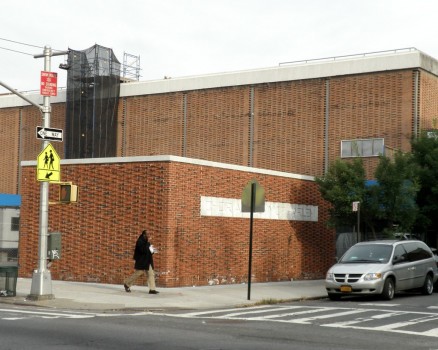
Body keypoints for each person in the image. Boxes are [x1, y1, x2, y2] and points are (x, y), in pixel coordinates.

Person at [123, 230, 159, 294]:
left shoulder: (147, 242)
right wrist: (148, 245)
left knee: (151, 274)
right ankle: (127, 283)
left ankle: (152, 289)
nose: (149, 235)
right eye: (148, 234)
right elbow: (143, 250)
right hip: (142, 261)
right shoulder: (139, 241)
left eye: (149, 234)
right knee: (138, 273)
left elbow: (149, 252)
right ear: (144, 235)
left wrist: (153, 251)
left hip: (148, 261)